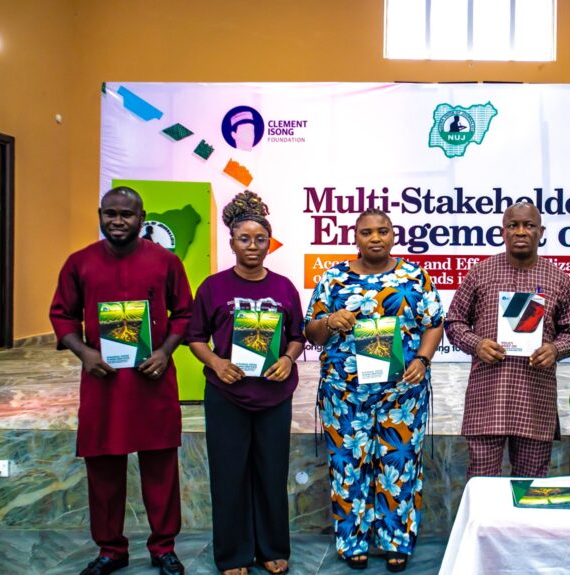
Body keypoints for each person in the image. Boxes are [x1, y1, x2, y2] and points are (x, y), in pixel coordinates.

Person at [49, 186, 192, 575]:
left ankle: (163, 547)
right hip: (103, 384)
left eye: (126, 214)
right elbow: (61, 315)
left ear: (142, 218)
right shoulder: (79, 263)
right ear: (100, 215)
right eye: (109, 213)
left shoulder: (166, 262)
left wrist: (165, 352)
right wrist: (84, 352)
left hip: (153, 382)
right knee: (103, 470)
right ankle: (111, 549)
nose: (117, 221)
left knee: (161, 469)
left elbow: (184, 313)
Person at [304, 209, 444, 573]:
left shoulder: (414, 276)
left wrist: (423, 359)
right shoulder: (334, 279)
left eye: (383, 231)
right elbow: (311, 332)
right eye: (367, 232)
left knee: (399, 465)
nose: (376, 238)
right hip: (344, 395)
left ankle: (396, 541)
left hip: (402, 394)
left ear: (393, 235)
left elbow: (434, 323)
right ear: (356, 238)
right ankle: (353, 542)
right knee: (348, 467)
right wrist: (329, 321)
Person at [187, 192, 306, 575]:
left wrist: (287, 359)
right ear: (232, 242)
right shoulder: (213, 287)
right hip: (227, 395)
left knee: (271, 473)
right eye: (244, 239)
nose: (252, 246)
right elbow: (195, 337)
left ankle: (272, 548)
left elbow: (297, 335)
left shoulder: (284, 287)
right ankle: (233, 554)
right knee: (229, 474)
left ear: (269, 243)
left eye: (260, 239)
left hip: (273, 396)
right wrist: (216, 363)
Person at [445, 201, 570, 479]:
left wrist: (555, 349)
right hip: (487, 398)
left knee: (530, 487)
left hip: (535, 399)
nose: (520, 231)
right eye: (512, 225)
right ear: (502, 232)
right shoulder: (480, 273)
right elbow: (454, 322)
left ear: (541, 232)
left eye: (528, 225)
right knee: (482, 482)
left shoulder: (559, 279)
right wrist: (476, 344)